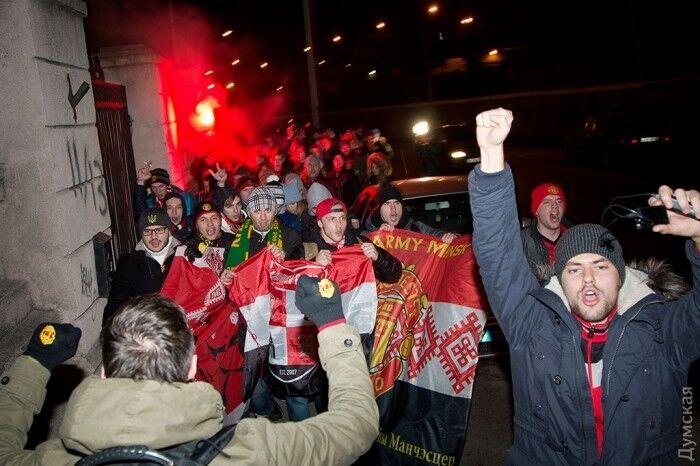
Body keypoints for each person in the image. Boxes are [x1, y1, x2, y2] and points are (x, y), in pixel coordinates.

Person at [468, 107, 700, 464]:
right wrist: (492, 158)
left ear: (621, 275)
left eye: (601, 265)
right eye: (574, 269)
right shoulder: (531, 326)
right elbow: (498, 253)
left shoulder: (663, 329)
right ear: (560, 279)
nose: (589, 277)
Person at [0, 282, 379, 464]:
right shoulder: (252, 451)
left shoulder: (53, 461)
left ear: (102, 372)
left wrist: (34, 363)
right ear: (194, 367)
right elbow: (355, 424)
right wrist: (331, 325)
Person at [103, 207, 180, 325]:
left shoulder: (184, 256)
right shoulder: (128, 263)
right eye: (147, 231)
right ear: (141, 234)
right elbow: (115, 306)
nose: (153, 236)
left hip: (182, 330)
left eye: (159, 230)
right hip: (146, 332)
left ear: (169, 231)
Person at [307, 197, 402, 284]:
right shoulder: (306, 251)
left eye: (342, 218)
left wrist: (378, 257)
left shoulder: (359, 242)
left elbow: (395, 276)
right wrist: (314, 266)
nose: (339, 225)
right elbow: (293, 289)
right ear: (320, 223)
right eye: (332, 219)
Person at [365, 183, 457, 243]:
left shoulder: (416, 228)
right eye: (387, 204)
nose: (393, 209)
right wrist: (378, 234)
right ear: (379, 209)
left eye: (397, 203)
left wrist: (451, 237)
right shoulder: (368, 235)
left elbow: (438, 234)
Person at [521, 182, 573, 278]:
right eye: (547, 202)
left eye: (559, 201)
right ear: (536, 210)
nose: (555, 205)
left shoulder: (578, 239)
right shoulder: (521, 243)